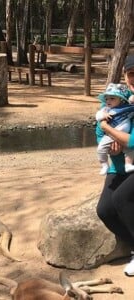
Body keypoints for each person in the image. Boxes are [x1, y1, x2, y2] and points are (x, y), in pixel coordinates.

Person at [96, 54, 134, 276]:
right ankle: (130, 243)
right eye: (131, 75)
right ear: (126, 76)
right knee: (105, 210)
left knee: (121, 198)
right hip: (121, 165)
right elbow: (98, 127)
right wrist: (107, 138)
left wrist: (111, 132)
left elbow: (131, 141)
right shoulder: (118, 96)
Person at [96, 83, 134, 175]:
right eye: (107, 99)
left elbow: (132, 143)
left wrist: (105, 126)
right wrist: (103, 117)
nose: (108, 101)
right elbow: (98, 117)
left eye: (112, 98)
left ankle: (128, 164)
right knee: (100, 149)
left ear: (121, 99)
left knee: (130, 150)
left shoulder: (127, 108)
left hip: (123, 134)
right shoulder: (105, 109)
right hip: (109, 137)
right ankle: (104, 165)